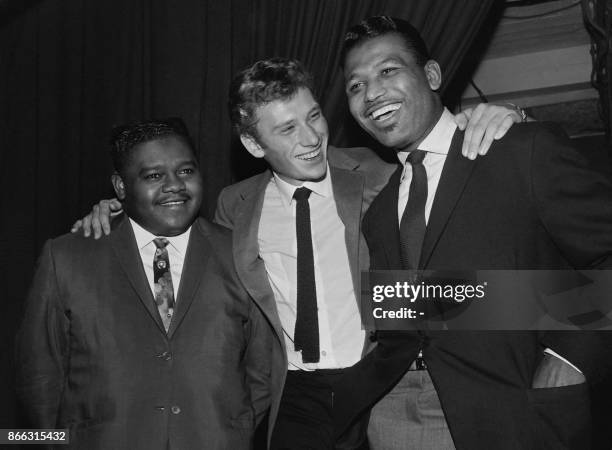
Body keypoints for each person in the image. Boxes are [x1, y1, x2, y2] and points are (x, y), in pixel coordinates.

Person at [71, 61, 521, 449]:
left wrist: (504, 120)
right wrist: (118, 211)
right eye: (287, 128)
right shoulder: (234, 205)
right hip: (294, 394)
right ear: (252, 144)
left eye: (314, 116)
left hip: (381, 384)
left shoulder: (379, 174)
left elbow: (448, 172)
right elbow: (185, 250)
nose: (312, 138)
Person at [333, 15, 612, 450]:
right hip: (392, 419)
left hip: (509, 415)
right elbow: (425, 312)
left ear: (431, 75)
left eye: (388, 71)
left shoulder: (521, 149)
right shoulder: (380, 211)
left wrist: (570, 357)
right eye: (355, 85)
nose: (372, 93)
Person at [16, 119, 272, 450]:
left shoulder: (240, 253)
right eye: (153, 176)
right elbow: (39, 377)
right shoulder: (67, 258)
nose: (174, 185)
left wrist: (236, 430)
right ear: (120, 187)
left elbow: (262, 366)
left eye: (185, 171)